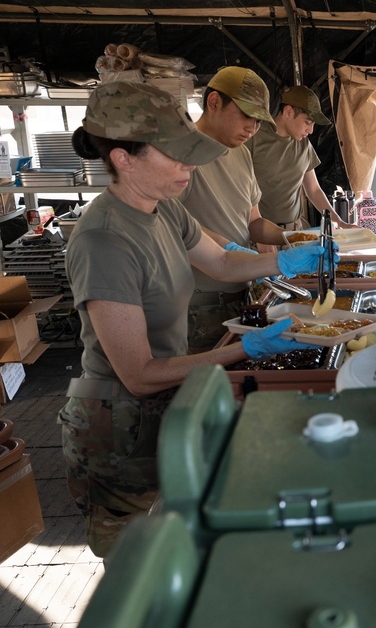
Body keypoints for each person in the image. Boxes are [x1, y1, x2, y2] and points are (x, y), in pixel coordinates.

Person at [58, 81, 334, 557]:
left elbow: (224, 263)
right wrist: (241, 349)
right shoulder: (104, 241)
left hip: (164, 400)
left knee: (175, 533)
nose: (189, 165)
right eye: (175, 154)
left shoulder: (163, 209)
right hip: (116, 425)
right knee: (137, 565)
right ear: (123, 158)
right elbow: (139, 375)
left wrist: (288, 258)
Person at [178, 66, 291, 352]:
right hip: (200, 300)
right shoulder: (180, 153)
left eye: (258, 120)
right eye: (246, 115)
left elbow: (253, 221)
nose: (253, 128)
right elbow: (173, 223)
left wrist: (291, 239)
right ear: (214, 102)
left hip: (241, 290)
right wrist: (229, 250)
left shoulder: (241, 153)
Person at [246, 85, 355, 250]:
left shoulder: (303, 144)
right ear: (288, 112)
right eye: (307, 122)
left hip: (294, 232)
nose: (310, 131)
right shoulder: (254, 139)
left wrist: (339, 222)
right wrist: (259, 234)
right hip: (260, 237)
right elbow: (239, 193)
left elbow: (314, 190)